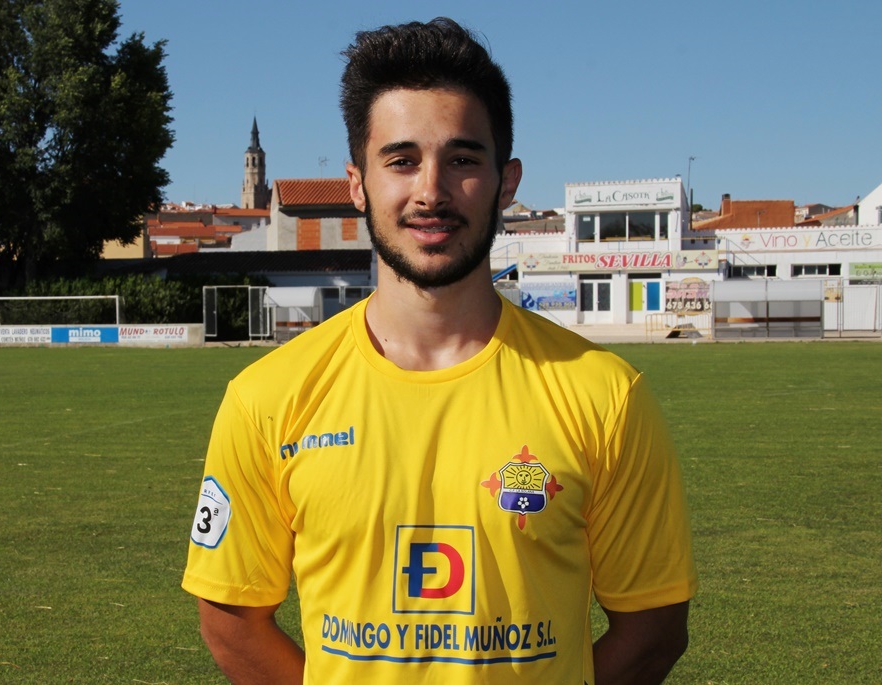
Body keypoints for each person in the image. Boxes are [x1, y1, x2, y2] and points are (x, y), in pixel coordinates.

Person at [182, 17, 697, 684]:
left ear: (506, 181)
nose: (431, 191)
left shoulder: (605, 396)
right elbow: (230, 622)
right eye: (401, 160)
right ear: (357, 183)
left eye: (462, 160)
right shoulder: (266, 400)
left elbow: (654, 629)